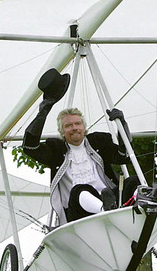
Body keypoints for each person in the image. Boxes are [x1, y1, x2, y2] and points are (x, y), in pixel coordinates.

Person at [22, 69, 140, 225]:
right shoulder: (56, 149)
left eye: (77, 124)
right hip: (78, 211)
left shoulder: (98, 141)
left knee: (133, 181)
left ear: (84, 128)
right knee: (80, 190)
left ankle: (151, 204)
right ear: (62, 132)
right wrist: (44, 110)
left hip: (111, 197)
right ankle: (105, 210)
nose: (74, 128)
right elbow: (29, 147)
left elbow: (123, 156)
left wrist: (122, 125)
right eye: (68, 126)